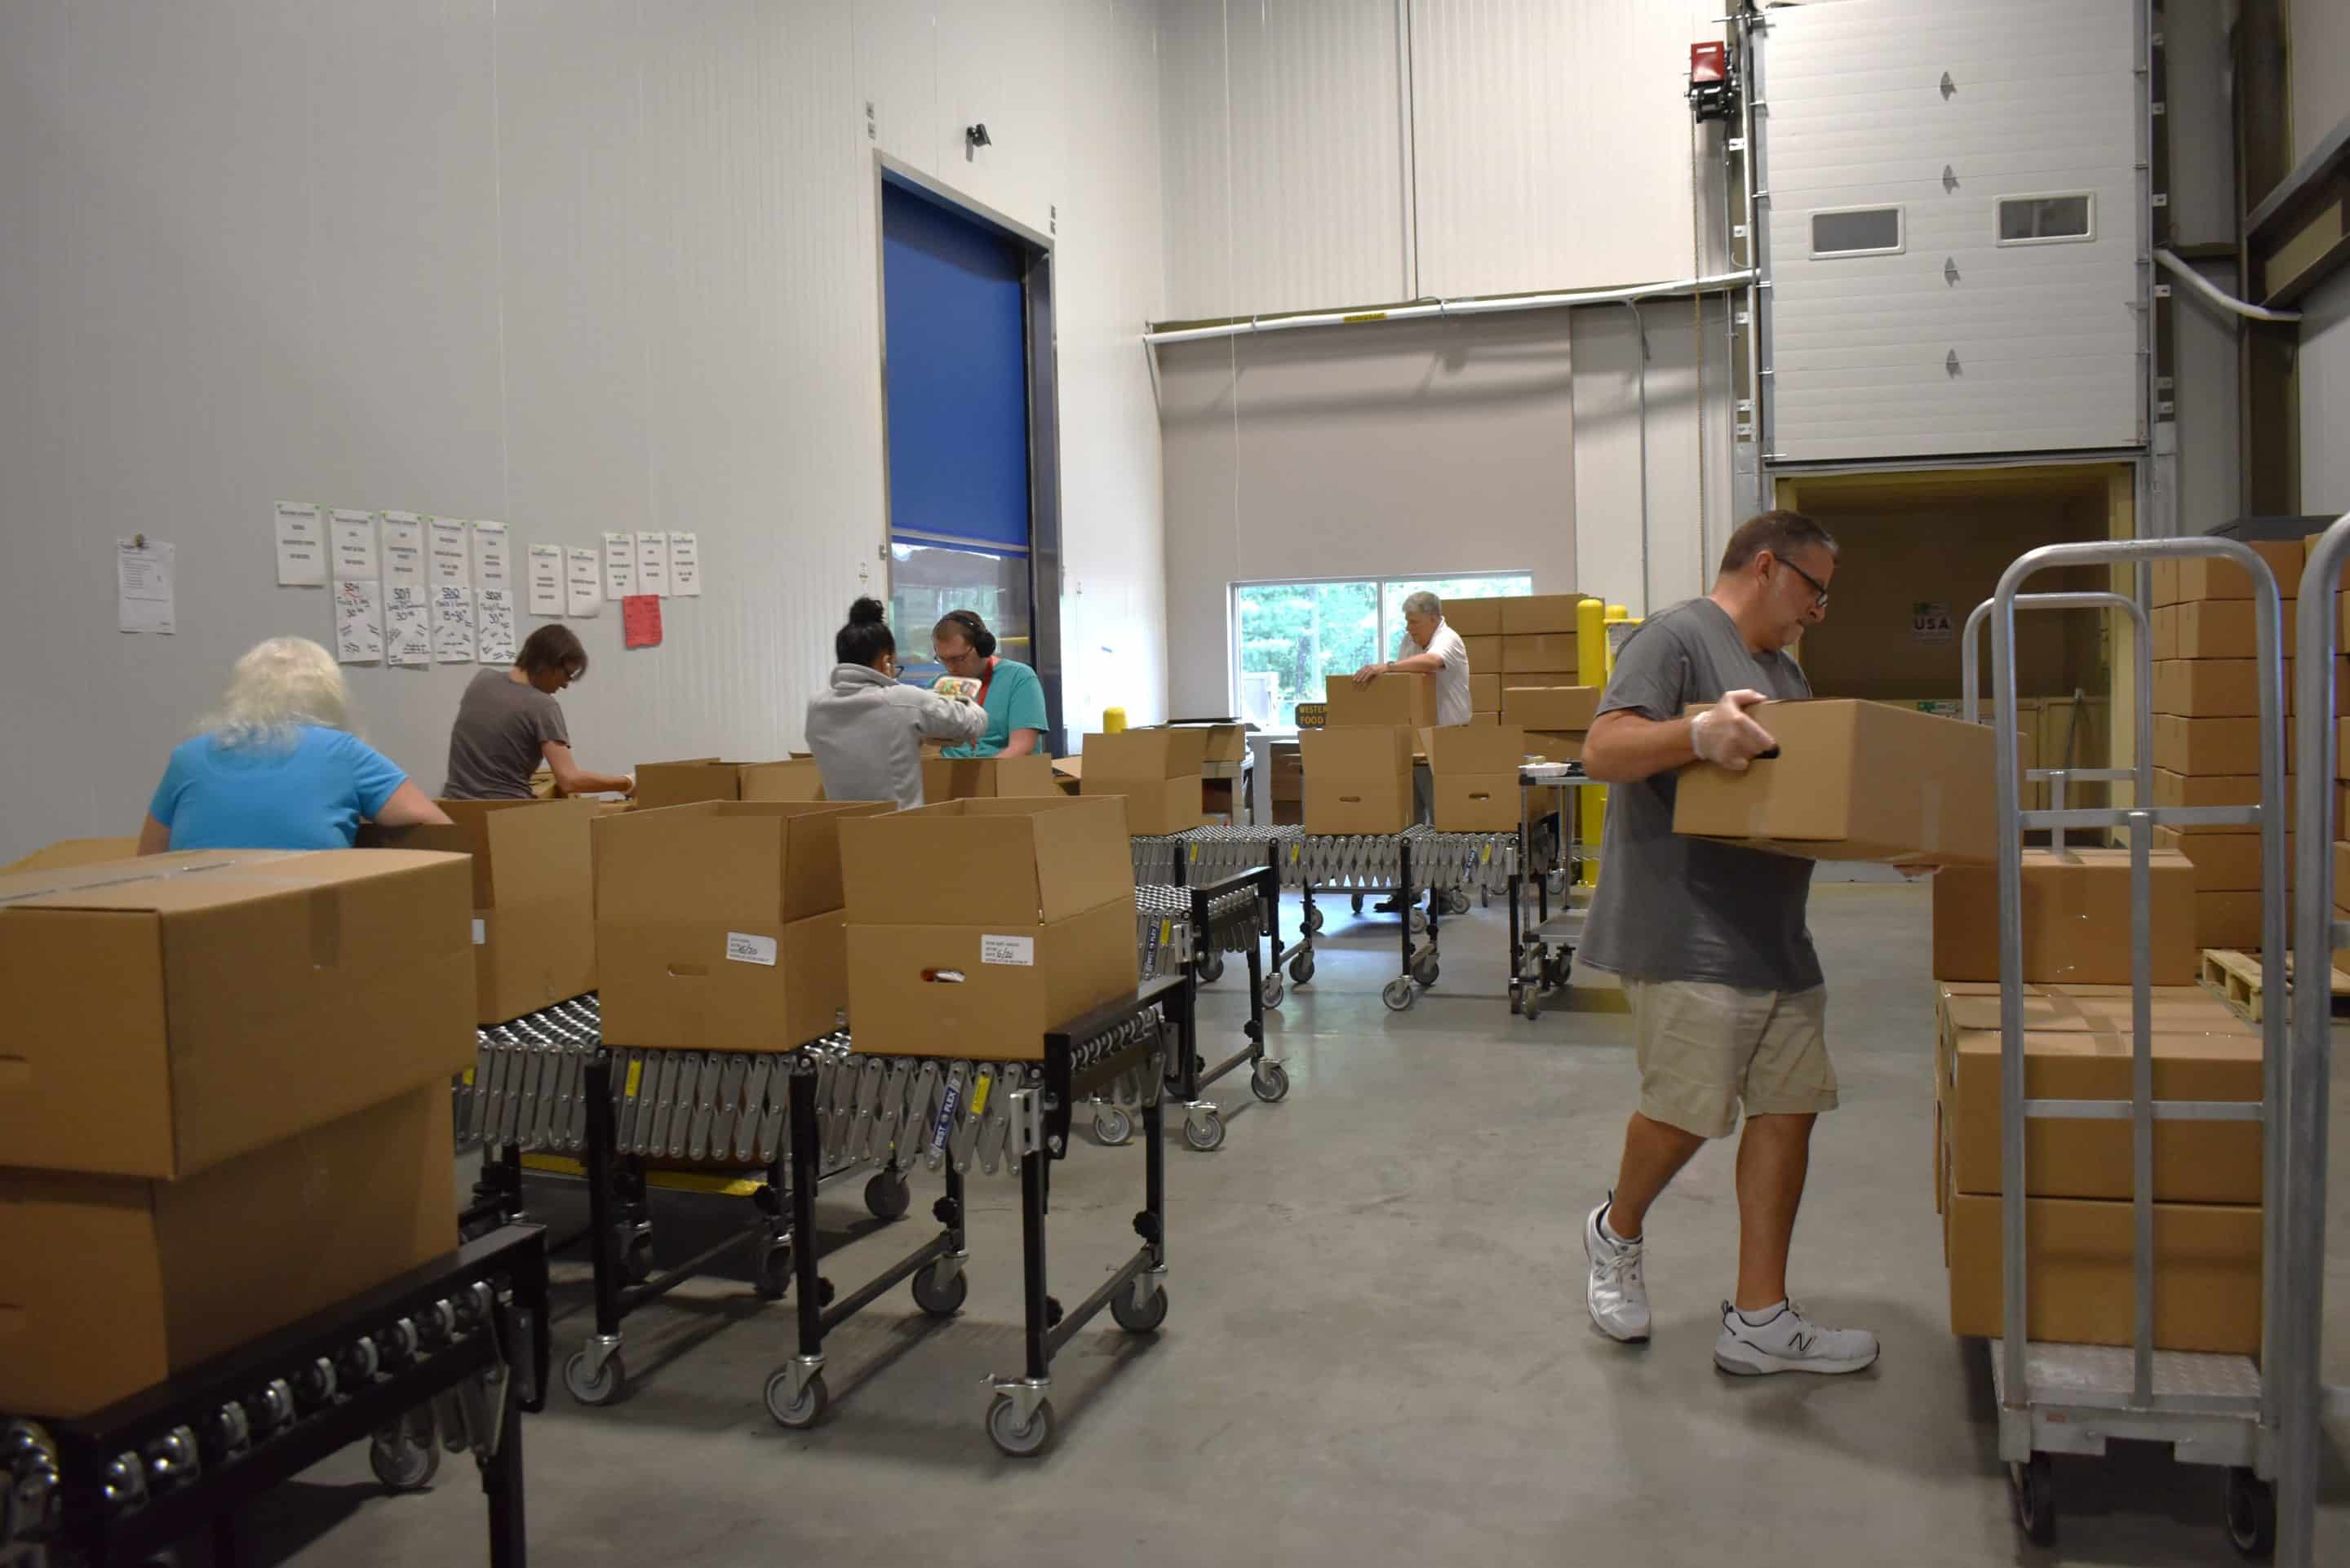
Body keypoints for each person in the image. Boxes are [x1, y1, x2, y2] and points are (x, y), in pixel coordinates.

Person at [1575, 510, 1879, 1378]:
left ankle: (1759, 1318)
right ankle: (1615, 1229)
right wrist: (1694, 732)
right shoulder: (1675, 638)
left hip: (1776, 930)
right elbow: (1602, 748)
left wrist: (1894, 840)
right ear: (1767, 565)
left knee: (1788, 1110)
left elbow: (1805, 796)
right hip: (1686, 927)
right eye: (1814, 587)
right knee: (1683, 1114)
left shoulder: (1784, 671)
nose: (1820, 609)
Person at [139, 636, 450, 853]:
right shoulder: (342, 752)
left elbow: (148, 860)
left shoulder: (187, 758)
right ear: (330, 694)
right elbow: (441, 828)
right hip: (305, 925)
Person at [808, 598, 987, 808]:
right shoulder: (904, 701)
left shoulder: (816, 707)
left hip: (843, 831)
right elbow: (975, 723)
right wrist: (965, 701)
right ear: (886, 662)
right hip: (900, 830)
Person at [444, 625, 633, 800]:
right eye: (567, 674)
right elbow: (569, 780)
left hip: (454, 805)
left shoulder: (482, 680)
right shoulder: (542, 706)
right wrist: (626, 782)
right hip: (506, 813)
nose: (566, 684)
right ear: (547, 663)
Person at [932, 609, 1048, 758]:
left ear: (982, 648)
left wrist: (984, 778)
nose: (950, 668)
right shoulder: (940, 685)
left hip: (1004, 775)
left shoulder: (1019, 678)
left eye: (958, 659)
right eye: (943, 659)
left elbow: (1022, 747)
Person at [1351, 589, 1471, 727]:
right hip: (1418, 728)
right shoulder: (1409, 640)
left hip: (1450, 731)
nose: (1408, 628)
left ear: (1433, 618)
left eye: (1414, 622)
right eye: (1407, 622)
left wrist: (1387, 667)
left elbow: (1432, 661)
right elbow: (1402, 678)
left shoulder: (1448, 638)